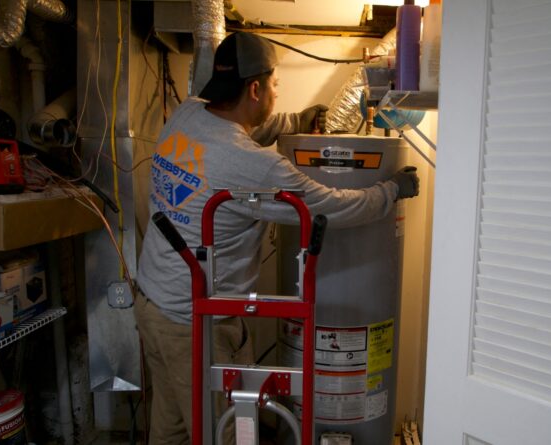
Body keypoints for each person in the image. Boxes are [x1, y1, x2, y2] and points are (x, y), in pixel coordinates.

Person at [134, 32, 420, 445]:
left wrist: (296, 122)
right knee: (223, 433)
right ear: (255, 89)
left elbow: (246, 129)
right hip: (192, 324)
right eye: (274, 84)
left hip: (153, 302)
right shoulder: (255, 166)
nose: (276, 91)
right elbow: (329, 208)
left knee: (173, 429)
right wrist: (390, 191)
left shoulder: (189, 113)